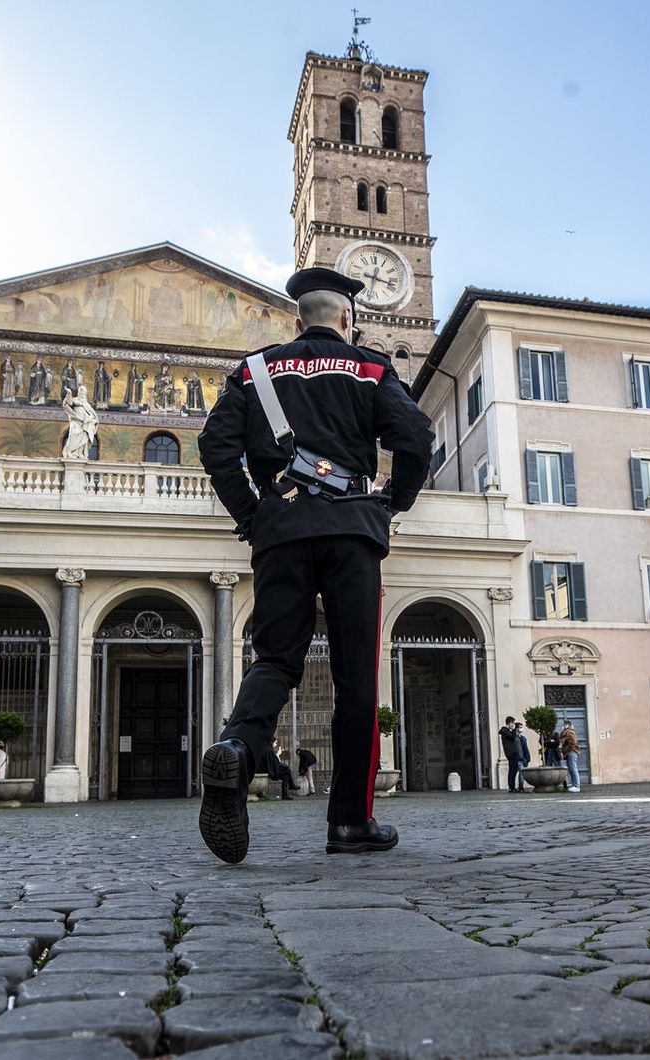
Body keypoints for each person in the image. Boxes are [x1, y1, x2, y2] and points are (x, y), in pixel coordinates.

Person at [195, 266, 433, 862]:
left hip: (280, 530)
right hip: (352, 529)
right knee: (356, 674)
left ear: (298, 321)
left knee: (276, 657)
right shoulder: (373, 367)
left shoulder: (255, 371)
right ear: (347, 319)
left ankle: (240, 748)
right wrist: (391, 501)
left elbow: (214, 446)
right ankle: (349, 822)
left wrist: (253, 514)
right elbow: (417, 438)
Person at [498, 716, 523, 793]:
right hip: (511, 752)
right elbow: (511, 736)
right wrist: (515, 730)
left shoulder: (507, 731)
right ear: (510, 723)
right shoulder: (505, 731)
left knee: (513, 770)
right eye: (513, 723)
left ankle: (512, 787)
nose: (513, 725)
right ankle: (511, 787)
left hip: (512, 752)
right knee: (512, 770)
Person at [559, 721, 582, 793]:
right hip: (570, 752)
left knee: (573, 769)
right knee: (571, 769)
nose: (562, 727)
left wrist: (566, 750)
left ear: (567, 725)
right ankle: (574, 785)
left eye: (563, 725)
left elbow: (572, 742)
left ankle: (576, 786)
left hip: (572, 752)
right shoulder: (566, 733)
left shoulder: (569, 732)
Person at [514, 723, 531, 792]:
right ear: (517, 728)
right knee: (521, 772)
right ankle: (520, 788)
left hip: (524, 758)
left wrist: (528, 758)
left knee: (522, 773)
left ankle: (520, 787)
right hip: (518, 758)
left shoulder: (523, 738)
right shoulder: (514, 737)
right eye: (520, 727)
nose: (521, 729)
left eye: (522, 727)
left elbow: (526, 748)